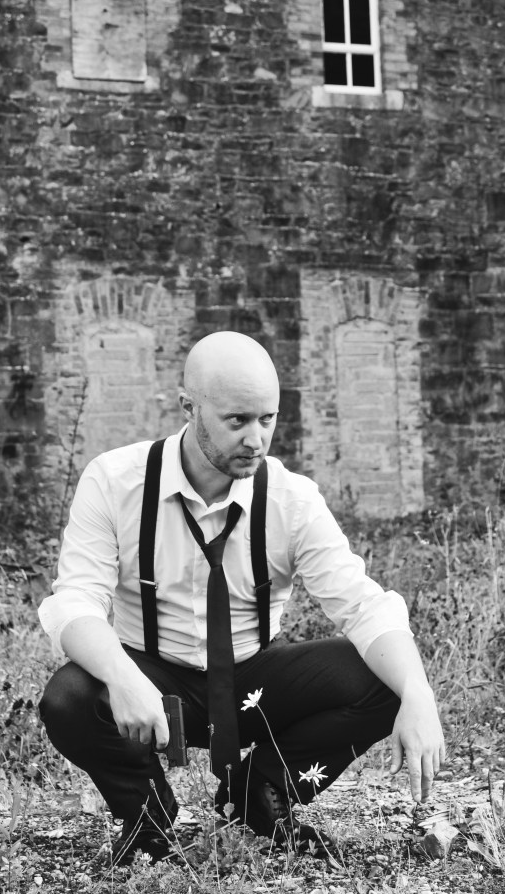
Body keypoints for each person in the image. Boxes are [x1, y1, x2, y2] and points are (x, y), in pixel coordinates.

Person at [38, 331, 444, 865]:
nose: (256, 439)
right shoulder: (116, 482)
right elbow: (76, 601)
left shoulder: (292, 499)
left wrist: (418, 693)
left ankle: (260, 793)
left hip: (253, 681)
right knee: (68, 697)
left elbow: (362, 605)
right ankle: (147, 815)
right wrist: (122, 679)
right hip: (153, 680)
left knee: (386, 678)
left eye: (267, 419)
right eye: (237, 421)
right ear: (189, 407)